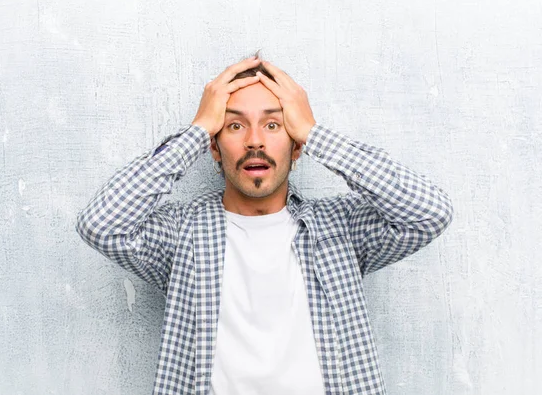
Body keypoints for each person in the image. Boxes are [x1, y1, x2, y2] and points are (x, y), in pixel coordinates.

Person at [76, 54, 454, 395]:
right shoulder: (182, 234)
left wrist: (314, 132)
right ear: (213, 145)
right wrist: (195, 131)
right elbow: (101, 224)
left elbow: (429, 212)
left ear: (297, 146)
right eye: (235, 126)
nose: (255, 141)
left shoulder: (341, 229)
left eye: (273, 125)